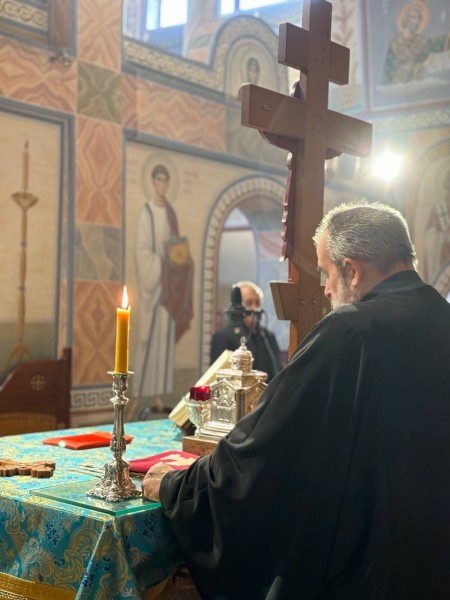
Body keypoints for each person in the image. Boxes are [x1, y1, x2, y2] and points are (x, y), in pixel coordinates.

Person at [142, 201, 450, 600]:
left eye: (326, 272)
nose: (325, 289)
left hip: (366, 572)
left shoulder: (349, 331)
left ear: (353, 270)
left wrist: (181, 488)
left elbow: (269, 450)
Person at [134, 164, 193, 400]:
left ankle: (159, 396)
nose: (162, 184)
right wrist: (164, 263)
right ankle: (139, 394)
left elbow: (175, 246)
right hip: (155, 285)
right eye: (158, 179)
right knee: (148, 338)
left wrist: (183, 262)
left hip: (169, 286)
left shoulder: (170, 212)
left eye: (165, 180)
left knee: (164, 339)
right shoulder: (146, 213)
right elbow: (141, 251)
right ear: (152, 182)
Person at [210, 280, 283, 382]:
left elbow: (277, 368)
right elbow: (219, 377)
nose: (255, 308)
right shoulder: (223, 336)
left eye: (257, 303)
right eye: (249, 303)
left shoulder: (268, 336)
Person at [382, 1, 450, 85]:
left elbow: (438, 43)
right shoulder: (395, 45)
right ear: (406, 19)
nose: (417, 21)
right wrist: (422, 66)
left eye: (419, 18)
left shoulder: (422, 41)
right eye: (413, 17)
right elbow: (391, 74)